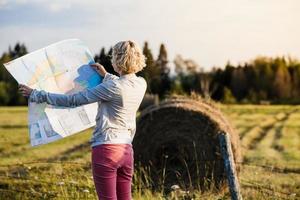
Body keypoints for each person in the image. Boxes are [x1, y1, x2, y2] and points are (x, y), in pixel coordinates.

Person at [18, 40, 147, 200]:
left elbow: (73, 100)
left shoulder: (112, 88)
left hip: (106, 150)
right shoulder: (141, 84)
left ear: (117, 60)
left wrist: (37, 94)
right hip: (126, 151)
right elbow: (123, 83)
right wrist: (106, 75)